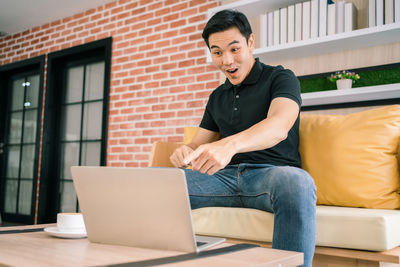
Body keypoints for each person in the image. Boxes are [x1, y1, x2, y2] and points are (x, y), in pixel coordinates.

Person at [169, 9, 316, 267]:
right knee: (159, 185)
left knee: (298, 183)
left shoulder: (281, 78)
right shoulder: (217, 96)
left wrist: (230, 144)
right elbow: (197, 142)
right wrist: (185, 150)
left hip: (272, 175)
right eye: (217, 52)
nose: (226, 60)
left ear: (250, 43)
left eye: (234, 49)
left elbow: (279, 126)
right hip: (223, 179)